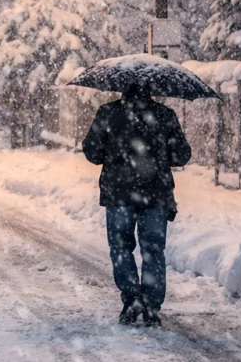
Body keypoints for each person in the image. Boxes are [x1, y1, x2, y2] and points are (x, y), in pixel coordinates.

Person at [82, 84, 191, 327]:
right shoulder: (165, 115)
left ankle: (132, 299)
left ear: (121, 86)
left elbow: (93, 153)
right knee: (153, 250)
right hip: (156, 194)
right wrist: (158, 154)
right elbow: (182, 155)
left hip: (119, 193)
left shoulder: (108, 113)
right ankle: (151, 305)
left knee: (121, 247)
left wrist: (113, 150)